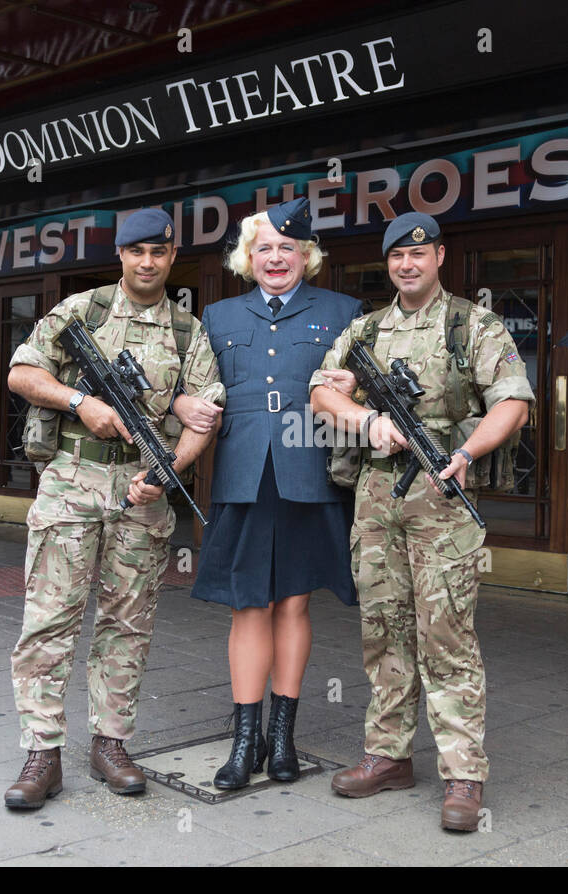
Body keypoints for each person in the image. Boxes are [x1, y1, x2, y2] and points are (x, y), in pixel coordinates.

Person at [309, 212, 533, 831]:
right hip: (378, 495)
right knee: (383, 628)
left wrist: (464, 455)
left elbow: (513, 399)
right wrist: (366, 420)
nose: (407, 265)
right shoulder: (366, 330)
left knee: (447, 635)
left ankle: (464, 775)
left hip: (441, 493)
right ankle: (388, 756)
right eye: (396, 259)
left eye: (419, 255)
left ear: (439, 256)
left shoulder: (473, 324)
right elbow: (320, 392)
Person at [2, 208, 223, 810]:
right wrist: (80, 402)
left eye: (158, 251)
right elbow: (21, 371)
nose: (147, 262)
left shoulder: (188, 331)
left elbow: (207, 412)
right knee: (50, 617)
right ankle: (42, 752)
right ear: (120, 255)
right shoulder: (82, 311)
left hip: (142, 488)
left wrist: (169, 470)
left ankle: (111, 743)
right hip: (73, 475)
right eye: (136, 252)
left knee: (128, 622)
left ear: (172, 256)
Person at [189, 197, 361, 790]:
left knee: (293, 602)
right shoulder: (216, 318)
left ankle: (282, 737)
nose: (276, 257)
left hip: (308, 477)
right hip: (242, 477)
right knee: (247, 604)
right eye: (264, 247)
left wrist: (354, 385)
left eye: (288, 247)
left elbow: (362, 390)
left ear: (307, 256)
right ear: (247, 257)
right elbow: (193, 391)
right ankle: (245, 741)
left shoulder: (344, 313)